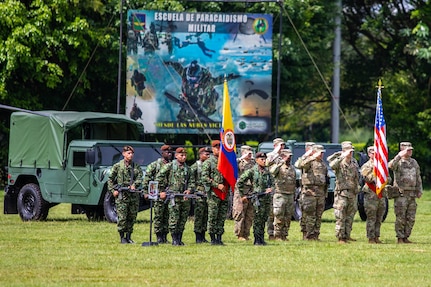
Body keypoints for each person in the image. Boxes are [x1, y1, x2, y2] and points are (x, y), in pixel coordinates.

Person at [156, 147, 194, 246]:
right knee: (174, 218)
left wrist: (189, 190)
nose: (184, 157)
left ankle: (179, 238)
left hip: (184, 197)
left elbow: (192, 182)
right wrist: (161, 190)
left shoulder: (188, 168)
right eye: (181, 155)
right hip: (173, 197)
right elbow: (159, 177)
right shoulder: (170, 166)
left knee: (182, 219)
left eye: (185, 155)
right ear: (176, 156)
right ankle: (174, 239)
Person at [388, 142, 423, 244]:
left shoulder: (414, 162)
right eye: (408, 150)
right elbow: (391, 166)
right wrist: (399, 156)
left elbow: (418, 177)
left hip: (412, 194)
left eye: (411, 150)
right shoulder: (398, 162)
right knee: (401, 217)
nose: (410, 152)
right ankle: (400, 237)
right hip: (401, 194)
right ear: (403, 150)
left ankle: (406, 236)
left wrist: (419, 189)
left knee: (411, 217)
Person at [107, 145, 143, 244]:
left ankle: (129, 236)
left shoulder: (136, 166)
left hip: (133, 196)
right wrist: (112, 191)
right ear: (123, 154)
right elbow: (110, 179)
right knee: (122, 217)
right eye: (128, 153)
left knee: (131, 217)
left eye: (132, 153)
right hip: (122, 196)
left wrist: (135, 185)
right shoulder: (118, 166)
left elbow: (140, 177)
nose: (130, 155)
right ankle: (122, 237)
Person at [237, 152, 274, 245]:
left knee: (264, 218)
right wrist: (243, 195)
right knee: (257, 219)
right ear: (257, 160)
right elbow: (240, 182)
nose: (264, 161)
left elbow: (273, 183)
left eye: (265, 159)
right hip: (257, 198)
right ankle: (257, 239)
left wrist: (271, 188)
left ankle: (261, 238)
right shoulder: (252, 171)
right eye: (262, 159)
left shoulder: (267, 171)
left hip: (266, 198)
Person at [328, 141, 360, 244]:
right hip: (342, 193)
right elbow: (332, 166)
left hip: (352, 193)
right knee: (341, 215)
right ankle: (340, 237)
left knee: (350, 215)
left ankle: (347, 235)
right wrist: (342, 156)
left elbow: (356, 176)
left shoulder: (354, 162)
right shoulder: (339, 162)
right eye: (348, 151)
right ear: (343, 151)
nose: (351, 153)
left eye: (352, 151)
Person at [295, 144, 328, 241]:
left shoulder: (322, 163)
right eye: (320, 153)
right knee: (309, 214)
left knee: (318, 215)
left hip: (320, 193)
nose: (321, 155)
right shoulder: (309, 162)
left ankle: (315, 234)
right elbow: (299, 165)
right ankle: (308, 235)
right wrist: (309, 156)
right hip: (310, 193)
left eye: (322, 153)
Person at [143, 145, 173, 244]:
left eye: (170, 152)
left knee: (167, 216)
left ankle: (165, 236)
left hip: (169, 194)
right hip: (158, 193)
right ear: (162, 153)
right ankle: (159, 236)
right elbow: (147, 179)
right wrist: (146, 192)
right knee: (159, 215)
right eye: (167, 152)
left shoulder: (173, 165)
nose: (169, 154)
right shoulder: (155, 165)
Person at [201, 140, 230, 245]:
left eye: (220, 147)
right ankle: (213, 238)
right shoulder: (208, 162)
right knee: (213, 215)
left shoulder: (225, 161)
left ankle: (219, 237)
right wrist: (217, 185)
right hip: (214, 193)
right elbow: (204, 177)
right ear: (212, 149)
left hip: (225, 192)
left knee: (222, 216)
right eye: (216, 148)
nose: (218, 149)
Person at [360, 146, 387, 244]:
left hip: (381, 194)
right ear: (369, 154)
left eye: (376, 153)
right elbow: (367, 178)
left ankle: (377, 236)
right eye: (372, 153)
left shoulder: (382, 165)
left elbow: (388, 178)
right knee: (371, 217)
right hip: (371, 194)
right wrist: (376, 174)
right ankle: (371, 237)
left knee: (379, 217)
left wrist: (383, 178)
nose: (375, 154)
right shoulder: (366, 166)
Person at [269, 148, 296, 241]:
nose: (289, 158)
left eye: (290, 156)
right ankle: (277, 235)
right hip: (280, 194)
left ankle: (284, 235)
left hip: (290, 195)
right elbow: (272, 172)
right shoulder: (278, 166)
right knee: (279, 215)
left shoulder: (292, 168)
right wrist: (280, 163)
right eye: (287, 156)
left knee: (288, 216)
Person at [233, 145, 256, 241]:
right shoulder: (238, 162)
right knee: (240, 212)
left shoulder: (253, 163)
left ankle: (246, 234)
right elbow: (231, 166)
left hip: (251, 190)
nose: (249, 154)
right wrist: (241, 158)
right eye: (247, 152)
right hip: (241, 190)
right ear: (243, 153)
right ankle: (239, 234)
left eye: (251, 152)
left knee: (249, 214)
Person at [190, 146, 212, 243]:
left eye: (209, 154)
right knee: (199, 215)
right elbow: (191, 180)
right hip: (199, 193)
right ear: (200, 155)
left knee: (206, 215)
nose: (208, 156)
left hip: (208, 193)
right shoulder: (196, 166)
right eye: (206, 154)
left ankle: (203, 235)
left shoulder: (210, 165)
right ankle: (198, 236)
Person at [265, 138, 285, 240]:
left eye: (283, 146)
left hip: (281, 188)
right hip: (272, 188)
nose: (282, 148)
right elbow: (267, 164)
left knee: (281, 212)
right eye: (280, 145)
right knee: (272, 212)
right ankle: (271, 233)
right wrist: (275, 153)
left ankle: (280, 234)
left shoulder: (283, 157)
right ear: (275, 146)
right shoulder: (270, 155)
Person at [294, 142, 315, 239]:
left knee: (314, 214)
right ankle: (305, 233)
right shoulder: (304, 159)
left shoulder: (317, 160)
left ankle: (313, 234)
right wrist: (306, 155)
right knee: (305, 213)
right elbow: (297, 165)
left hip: (317, 191)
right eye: (311, 149)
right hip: (306, 191)